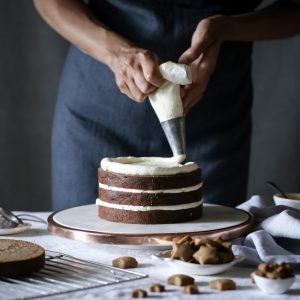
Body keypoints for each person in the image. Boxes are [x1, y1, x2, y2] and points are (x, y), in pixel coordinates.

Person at [33, 0, 300, 210]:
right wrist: (115, 53)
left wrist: (227, 28)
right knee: (86, 258)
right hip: (100, 110)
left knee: (203, 260)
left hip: (212, 117)